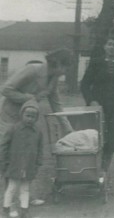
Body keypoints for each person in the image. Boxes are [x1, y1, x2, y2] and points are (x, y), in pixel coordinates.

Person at [0, 48, 73, 207]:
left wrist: (68, 128)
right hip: (10, 117)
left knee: (28, 157)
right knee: (12, 157)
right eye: (66, 67)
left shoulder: (53, 79)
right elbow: (6, 89)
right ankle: (10, 200)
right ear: (58, 63)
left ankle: (25, 196)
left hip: (29, 120)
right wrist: (28, 98)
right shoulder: (33, 70)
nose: (66, 71)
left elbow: (57, 105)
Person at [80, 35, 114, 172]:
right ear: (104, 46)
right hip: (97, 107)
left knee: (112, 141)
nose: (112, 47)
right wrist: (91, 100)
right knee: (95, 138)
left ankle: (104, 172)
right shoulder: (95, 63)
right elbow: (85, 84)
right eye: (109, 44)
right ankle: (91, 170)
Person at [0, 100, 43, 218]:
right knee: (12, 187)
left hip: (29, 165)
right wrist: (3, 161)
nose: (30, 119)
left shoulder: (38, 132)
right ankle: (7, 207)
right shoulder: (13, 129)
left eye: (33, 117)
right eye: (27, 115)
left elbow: (40, 147)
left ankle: (24, 209)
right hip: (14, 164)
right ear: (21, 115)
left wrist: (38, 161)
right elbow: (4, 145)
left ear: (36, 118)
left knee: (25, 188)